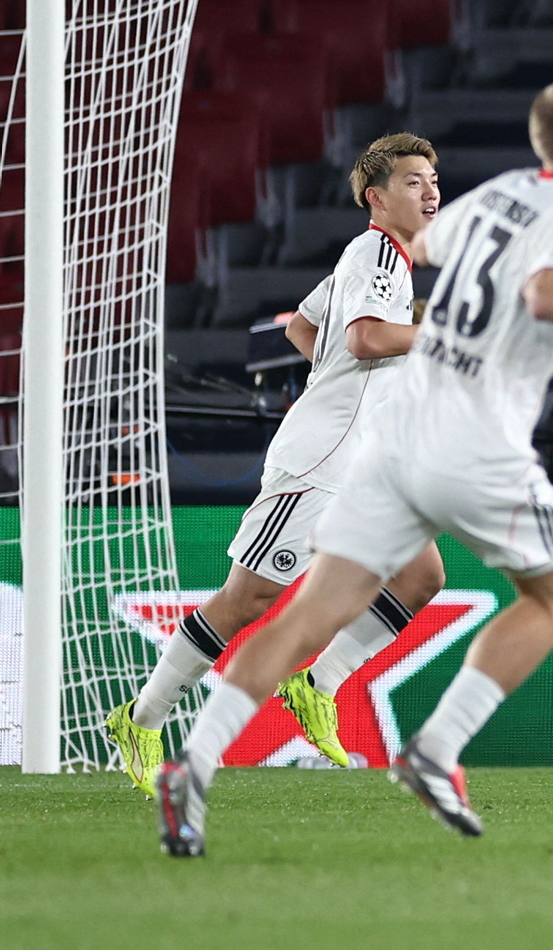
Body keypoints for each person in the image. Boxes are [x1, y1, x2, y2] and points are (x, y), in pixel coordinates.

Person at [154, 79, 553, 857]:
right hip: (474, 440)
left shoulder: (502, 195)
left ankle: (195, 763)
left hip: (394, 439)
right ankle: (436, 750)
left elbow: (423, 248)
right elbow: (546, 295)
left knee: (320, 610)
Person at [106, 134, 448, 794]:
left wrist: (338, 377)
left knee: (421, 574)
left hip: (366, 460)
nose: (430, 190)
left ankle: (318, 683)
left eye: (433, 178)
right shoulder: (377, 255)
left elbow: (302, 326)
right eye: (413, 181)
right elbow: (370, 337)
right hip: (320, 461)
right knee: (248, 600)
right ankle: (141, 719)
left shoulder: (380, 261)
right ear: (376, 198)